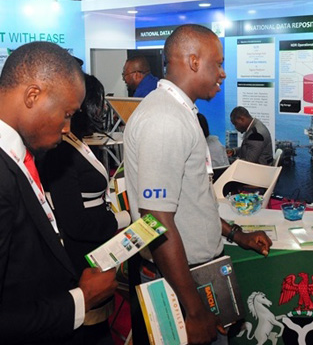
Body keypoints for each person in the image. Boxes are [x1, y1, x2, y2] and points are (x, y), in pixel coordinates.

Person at [124, 24, 272, 345]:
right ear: (194, 61)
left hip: (193, 275)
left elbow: (190, 203)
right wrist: (194, 310)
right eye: (218, 63)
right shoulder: (164, 120)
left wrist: (235, 234)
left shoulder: (178, 113)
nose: (223, 73)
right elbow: (157, 220)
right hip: (181, 284)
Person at [0, 41, 117, 344]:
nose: (67, 127)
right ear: (33, 95)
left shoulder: (20, 156)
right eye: (66, 114)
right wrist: (81, 300)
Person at [40, 73, 131, 344]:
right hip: (80, 258)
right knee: (90, 332)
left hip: (95, 250)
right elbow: (75, 223)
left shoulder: (76, 141)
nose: (103, 111)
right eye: (99, 103)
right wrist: (122, 219)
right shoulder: (61, 151)